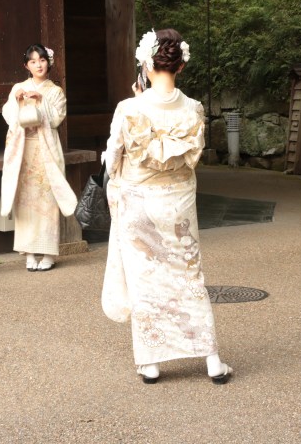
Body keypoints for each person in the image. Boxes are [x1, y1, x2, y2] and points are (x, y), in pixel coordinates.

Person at [100, 29, 232, 384]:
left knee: (144, 281)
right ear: (181, 66)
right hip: (178, 204)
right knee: (189, 276)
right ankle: (212, 360)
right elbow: (190, 157)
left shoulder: (129, 109)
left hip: (139, 203)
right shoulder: (194, 108)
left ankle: (150, 363)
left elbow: (113, 156)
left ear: (145, 64)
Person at [0, 44, 77, 272]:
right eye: (33, 61)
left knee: (47, 200)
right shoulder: (18, 88)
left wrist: (41, 99)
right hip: (23, 150)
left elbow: (55, 120)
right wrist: (17, 101)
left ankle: (49, 253)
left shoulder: (55, 91)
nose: (38, 65)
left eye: (42, 60)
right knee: (25, 201)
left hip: (46, 151)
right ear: (26, 66)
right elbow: (9, 116)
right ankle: (29, 253)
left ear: (48, 62)